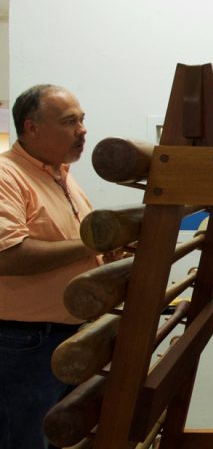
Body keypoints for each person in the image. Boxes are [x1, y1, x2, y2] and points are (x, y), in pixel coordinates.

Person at [0, 85, 103, 449]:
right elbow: (8, 256)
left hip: (66, 338)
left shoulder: (62, 175)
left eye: (82, 120)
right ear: (32, 128)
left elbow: (71, 246)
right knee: (24, 440)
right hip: (24, 344)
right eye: (69, 121)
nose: (82, 130)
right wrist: (93, 245)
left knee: (61, 438)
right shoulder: (6, 175)